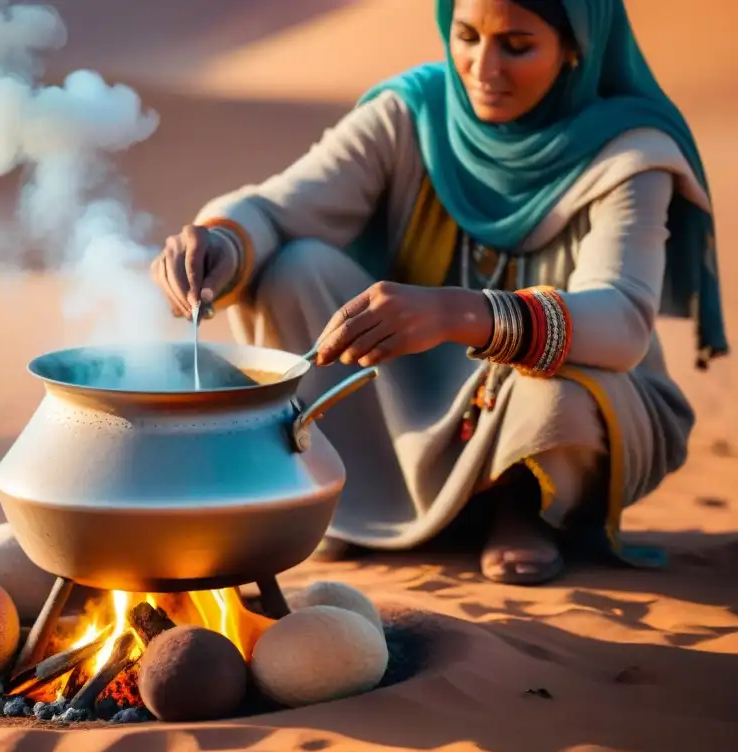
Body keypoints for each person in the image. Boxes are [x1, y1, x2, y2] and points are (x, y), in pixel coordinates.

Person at [149, 0, 723, 585]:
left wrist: (459, 313)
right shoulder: (412, 112)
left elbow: (623, 320)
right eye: (466, 36)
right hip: (407, 384)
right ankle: (345, 499)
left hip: (547, 391)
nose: (482, 67)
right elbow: (282, 209)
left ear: (576, 48)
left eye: (516, 46)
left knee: (562, 397)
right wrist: (220, 244)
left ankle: (523, 508)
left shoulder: (630, 152)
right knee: (293, 267)